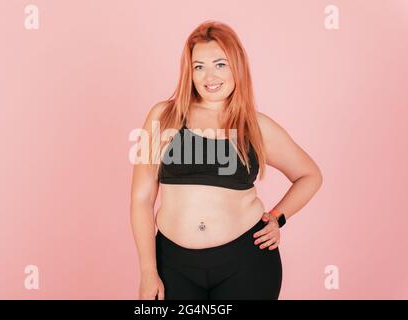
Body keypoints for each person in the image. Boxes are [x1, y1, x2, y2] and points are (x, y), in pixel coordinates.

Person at [130, 20, 323, 300]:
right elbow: (141, 199)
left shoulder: (257, 126)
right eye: (199, 66)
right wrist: (148, 271)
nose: (210, 76)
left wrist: (277, 217)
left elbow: (310, 175)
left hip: (247, 265)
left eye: (220, 64)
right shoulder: (163, 117)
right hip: (173, 266)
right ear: (190, 72)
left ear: (237, 67)